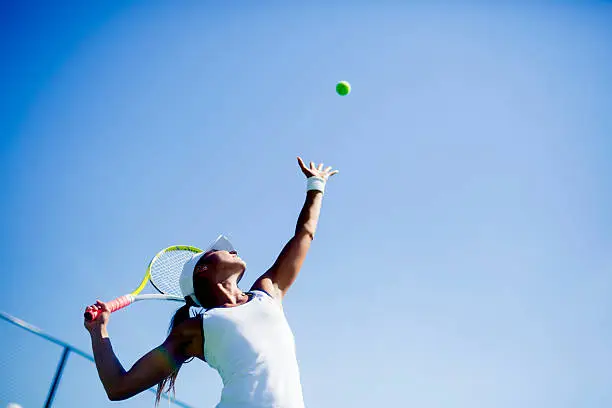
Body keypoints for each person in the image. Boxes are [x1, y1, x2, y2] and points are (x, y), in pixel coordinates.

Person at [84, 157, 338, 408]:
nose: (232, 250)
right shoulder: (194, 330)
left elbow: (304, 234)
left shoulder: (268, 291)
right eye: (219, 250)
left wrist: (316, 185)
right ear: (202, 269)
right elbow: (118, 387)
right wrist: (99, 331)